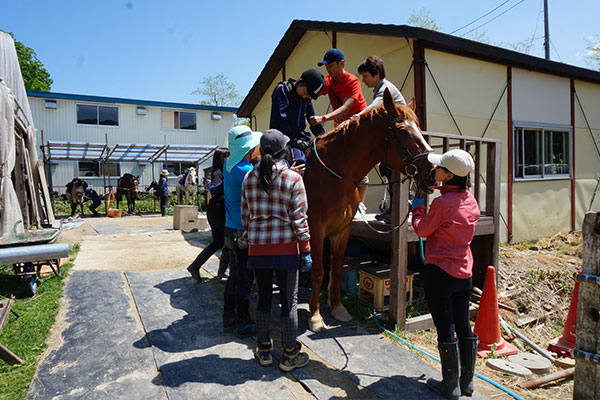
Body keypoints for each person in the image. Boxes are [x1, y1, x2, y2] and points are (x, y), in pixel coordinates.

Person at [411, 149, 480, 400]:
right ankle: (467, 382)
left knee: (445, 326)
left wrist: (418, 208)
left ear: (449, 175)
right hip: (464, 271)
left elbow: (422, 230)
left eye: (439, 168)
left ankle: (450, 385)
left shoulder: (441, 204)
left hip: (440, 272)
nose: (435, 170)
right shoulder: (470, 201)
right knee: (463, 323)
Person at [241, 129, 312, 372]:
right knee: (288, 301)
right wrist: (306, 249)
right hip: (286, 249)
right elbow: (300, 218)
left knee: (262, 298)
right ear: (284, 151)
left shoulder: (249, 178)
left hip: (258, 249)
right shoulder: (293, 179)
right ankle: (290, 354)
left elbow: (245, 217)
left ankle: (264, 349)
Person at [311, 48, 368, 217]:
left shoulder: (352, 81)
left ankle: (360, 205)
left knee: (359, 167)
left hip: (358, 129)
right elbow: (317, 88)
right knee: (339, 166)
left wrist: (324, 118)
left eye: (330, 65)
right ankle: (341, 201)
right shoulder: (329, 80)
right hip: (341, 130)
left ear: (341, 63)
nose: (328, 69)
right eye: (326, 66)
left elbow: (346, 107)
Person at [356, 55, 407, 223]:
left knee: (393, 175)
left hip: (401, 139)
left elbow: (372, 109)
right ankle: (392, 210)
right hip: (393, 139)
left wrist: (352, 120)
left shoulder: (385, 89)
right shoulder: (380, 88)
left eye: (365, 76)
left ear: (376, 73)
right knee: (388, 173)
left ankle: (396, 211)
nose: (363, 80)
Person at [223, 125, 262, 339]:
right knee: (245, 279)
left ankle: (228, 314)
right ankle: (243, 321)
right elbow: (267, 183)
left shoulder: (229, 164)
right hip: (243, 232)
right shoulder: (246, 170)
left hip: (230, 229)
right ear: (246, 148)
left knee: (234, 275)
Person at [187, 148, 230, 283]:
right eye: (227, 157)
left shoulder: (220, 171)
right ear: (221, 159)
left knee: (218, 242)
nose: (229, 160)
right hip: (218, 210)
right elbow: (215, 189)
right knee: (228, 241)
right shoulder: (218, 172)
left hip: (215, 209)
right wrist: (229, 180)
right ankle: (221, 271)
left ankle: (195, 266)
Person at [269, 68, 326, 166]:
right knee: (300, 161)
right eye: (306, 92)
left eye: (309, 96)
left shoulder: (306, 99)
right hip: (284, 139)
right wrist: (294, 140)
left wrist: (323, 137)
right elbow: (280, 120)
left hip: (301, 139)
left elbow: (312, 120)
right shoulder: (283, 90)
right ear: (300, 81)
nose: (306, 96)